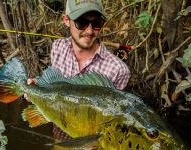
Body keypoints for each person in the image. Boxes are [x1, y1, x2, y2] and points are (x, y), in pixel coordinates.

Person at [27, 0, 131, 141]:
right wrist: (37, 86)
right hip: (59, 131)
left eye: (96, 24)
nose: (89, 31)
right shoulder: (58, 47)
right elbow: (53, 85)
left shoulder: (119, 70)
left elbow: (117, 120)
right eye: (81, 22)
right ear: (66, 20)